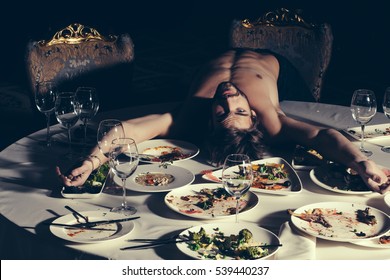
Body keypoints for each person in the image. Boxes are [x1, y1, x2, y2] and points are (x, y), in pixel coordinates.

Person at [57, 48, 390, 194]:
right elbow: (322, 134)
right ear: (255, 115)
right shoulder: (272, 122)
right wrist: (362, 163)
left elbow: (126, 130)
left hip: (240, 62)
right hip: (272, 65)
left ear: (209, 121)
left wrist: (91, 160)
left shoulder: (189, 118)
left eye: (222, 113)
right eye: (239, 111)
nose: (229, 100)